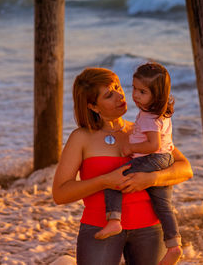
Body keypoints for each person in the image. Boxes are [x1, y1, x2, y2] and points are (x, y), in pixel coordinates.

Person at [52, 67, 193, 265]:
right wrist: (105, 181)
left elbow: (185, 168)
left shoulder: (142, 130)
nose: (120, 96)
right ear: (93, 106)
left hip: (150, 228)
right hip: (99, 226)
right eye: (109, 95)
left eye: (118, 87)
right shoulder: (81, 138)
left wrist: (151, 179)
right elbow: (60, 194)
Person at [95, 62, 182, 265]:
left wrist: (131, 149)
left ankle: (114, 220)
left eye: (142, 91)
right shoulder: (160, 112)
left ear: (157, 95)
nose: (135, 95)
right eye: (134, 88)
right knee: (163, 205)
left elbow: (153, 145)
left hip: (154, 159)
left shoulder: (150, 117)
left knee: (114, 180)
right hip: (164, 159)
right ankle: (174, 244)